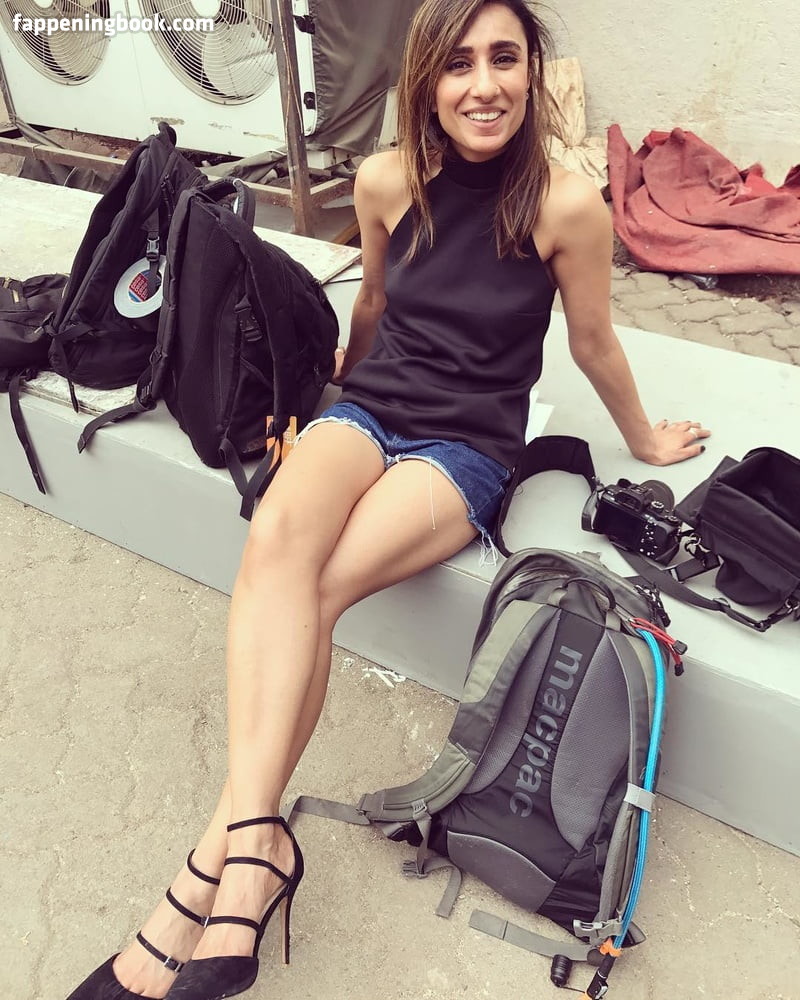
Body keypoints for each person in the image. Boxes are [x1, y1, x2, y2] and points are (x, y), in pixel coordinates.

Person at [67, 1, 710, 999]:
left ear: (532, 72)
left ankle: (208, 876)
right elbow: (370, 302)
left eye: (504, 59)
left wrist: (643, 437)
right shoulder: (383, 180)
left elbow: (591, 341)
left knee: (316, 591)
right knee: (276, 539)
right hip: (370, 409)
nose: (483, 85)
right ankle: (255, 850)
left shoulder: (566, 204)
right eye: (458, 64)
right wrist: (328, 397)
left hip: (465, 445)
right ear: (425, 81)